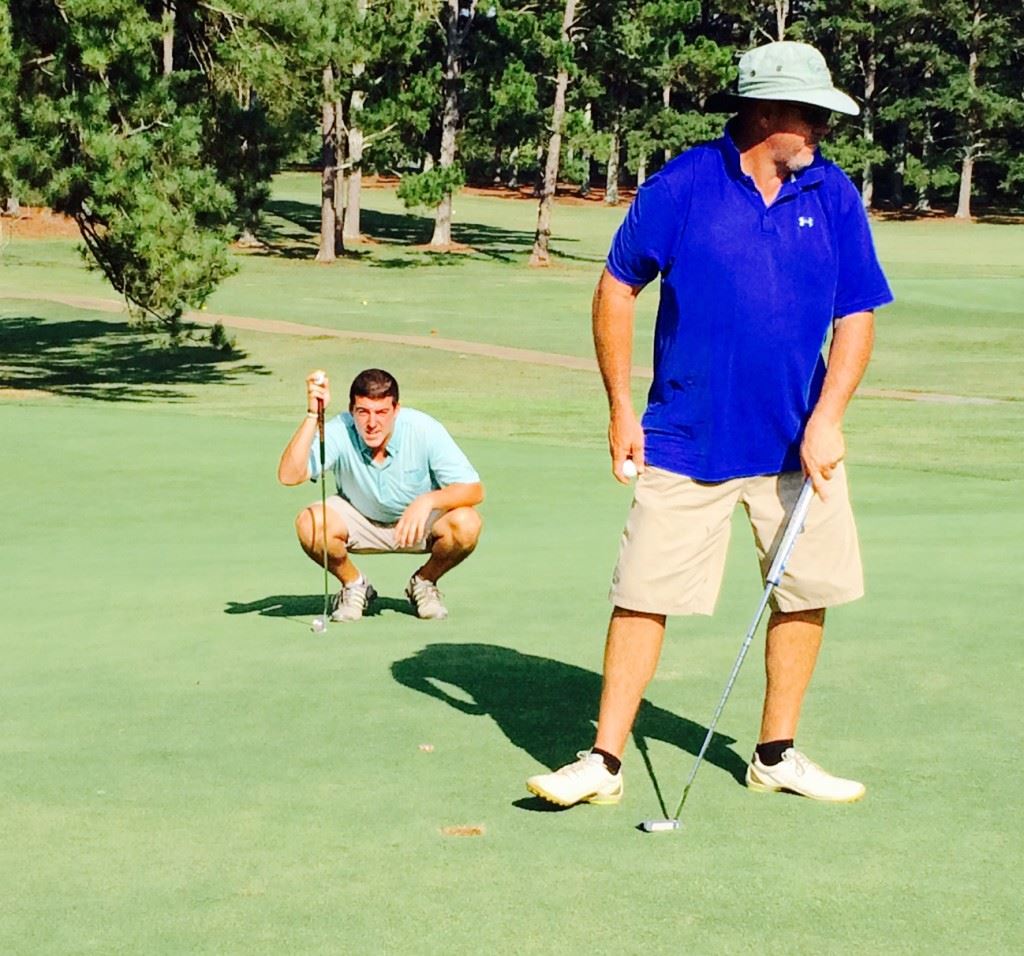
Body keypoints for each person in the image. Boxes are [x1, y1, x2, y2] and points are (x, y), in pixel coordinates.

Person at [526, 41, 893, 808]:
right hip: (685, 437)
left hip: (798, 445)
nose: (823, 128)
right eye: (812, 114)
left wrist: (828, 419)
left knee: (804, 592)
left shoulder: (833, 194)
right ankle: (603, 761)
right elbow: (617, 287)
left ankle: (776, 754)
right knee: (643, 593)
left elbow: (856, 316)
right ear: (764, 112)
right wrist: (621, 407)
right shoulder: (686, 184)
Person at [277, 368, 483, 622]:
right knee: (310, 523)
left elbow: (474, 489)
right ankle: (355, 585)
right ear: (352, 411)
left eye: (382, 412)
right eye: (363, 412)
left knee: (467, 523)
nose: (372, 423)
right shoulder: (341, 429)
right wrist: (312, 415)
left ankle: (424, 582)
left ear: (396, 410)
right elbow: (289, 475)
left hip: (416, 524)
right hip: (359, 519)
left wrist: (428, 500)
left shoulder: (424, 428)